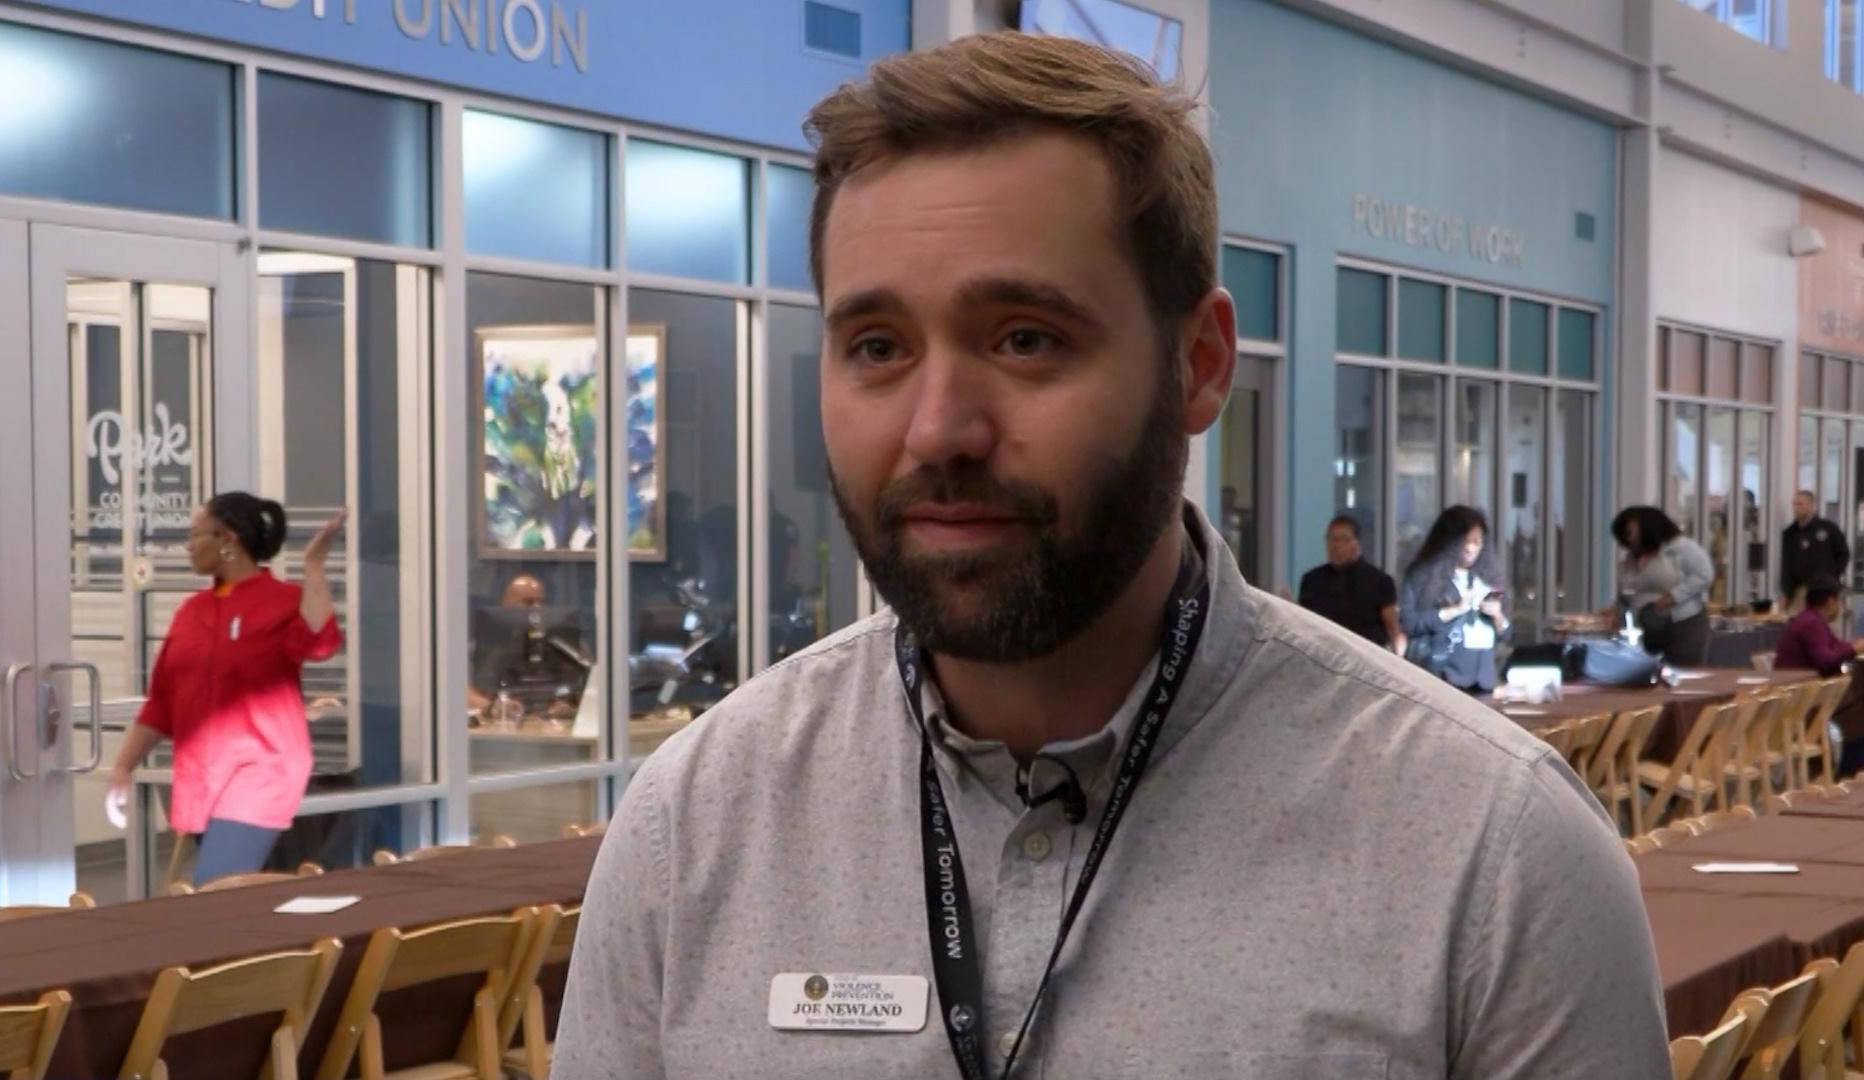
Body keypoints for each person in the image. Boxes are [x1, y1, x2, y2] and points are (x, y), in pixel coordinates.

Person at [553, 32, 1667, 1078]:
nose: (938, 430)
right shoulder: (692, 832)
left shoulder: (1494, 859)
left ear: (1199, 365)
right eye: (878, 347)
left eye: (1025, 339)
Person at [106, 494, 343, 887]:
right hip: (203, 773)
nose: (188, 545)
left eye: (194, 534)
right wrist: (122, 767)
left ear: (227, 540)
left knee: (215, 888)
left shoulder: (283, 601)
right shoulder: (191, 612)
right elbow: (162, 701)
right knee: (235, 893)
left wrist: (313, 566)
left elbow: (320, 642)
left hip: (263, 768)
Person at [1397, 506, 1509, 693]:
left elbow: (1506, 634)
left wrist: (1498, 616)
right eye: (1465, 541)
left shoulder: (1487, 579)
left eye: (1477, 542)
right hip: (1444, 678)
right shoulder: (1422, 577)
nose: (1471, 549)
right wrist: (1454, 611)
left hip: (1483, 681)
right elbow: (1410, 623)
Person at [1775, 578, 1864, 775]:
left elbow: (1836, 645)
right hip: (1799, 700)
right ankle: (1847, 771)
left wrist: (1851, 646)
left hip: (1807, 694)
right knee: (1856, 712)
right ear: (1831, 601)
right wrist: (1853, 649)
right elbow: (1825, 660)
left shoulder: (1813, 620)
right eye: (1839, 601)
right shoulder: (1811, 623)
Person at [1611, 505, 1715, 667]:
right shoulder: (1631, 558)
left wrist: (1673, 596)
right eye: (1624, 534)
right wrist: (1617, 611)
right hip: (1644, 625)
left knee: (1681, 672)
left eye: (1630, 532)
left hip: (1682, 624)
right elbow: (1627, 590)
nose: (1628, 538)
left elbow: (1704, 574)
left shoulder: (1681, 547)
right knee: (1642, 672)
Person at [1297, 514, 1403, 654]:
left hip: (1365, 655)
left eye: (1345, 539)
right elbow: (1303, 622)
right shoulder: (1312, 580)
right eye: (1332, 539)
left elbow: (1392, 628)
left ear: (1356, 543)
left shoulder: (1380, 581)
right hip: (1322, 654)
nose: (1337, 546)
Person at [467, 573, 547, 713]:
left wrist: (565, 704)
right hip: (498, 720)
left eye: (540, 603)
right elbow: (459, 691)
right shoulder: (477, 649)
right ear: (504, 606)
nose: (537, 608)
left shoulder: (561, 647)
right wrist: (492, 707)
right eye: (528, 602)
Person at [1783, 490, 1850, 612]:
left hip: (1825, 590)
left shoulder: (1828, 528)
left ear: (1811, 506)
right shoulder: (1790, 533)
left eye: (1800, 504)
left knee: (1825, 622)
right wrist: (1787, 592)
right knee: (1797, 621)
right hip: (1800, 590)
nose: (1795, 508)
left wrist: (1832, 577)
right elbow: (1786, 564)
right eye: (1794, 504)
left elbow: (1843, 554)